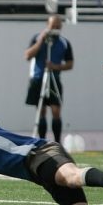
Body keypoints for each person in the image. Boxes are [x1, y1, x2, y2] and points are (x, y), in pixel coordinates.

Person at [24, 14, 73, 142]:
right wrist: (41, 40)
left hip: (54, 79)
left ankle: (57, 141)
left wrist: (55, 66)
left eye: (58, 26)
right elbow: (28, 55)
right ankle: (42, 141)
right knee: (41, 111)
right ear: (47, 26)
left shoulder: (64, 42)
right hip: (38, 77)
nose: (55, 28)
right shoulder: (37, 38)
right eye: (53, 26)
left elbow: (70, 64)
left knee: (56, 110)